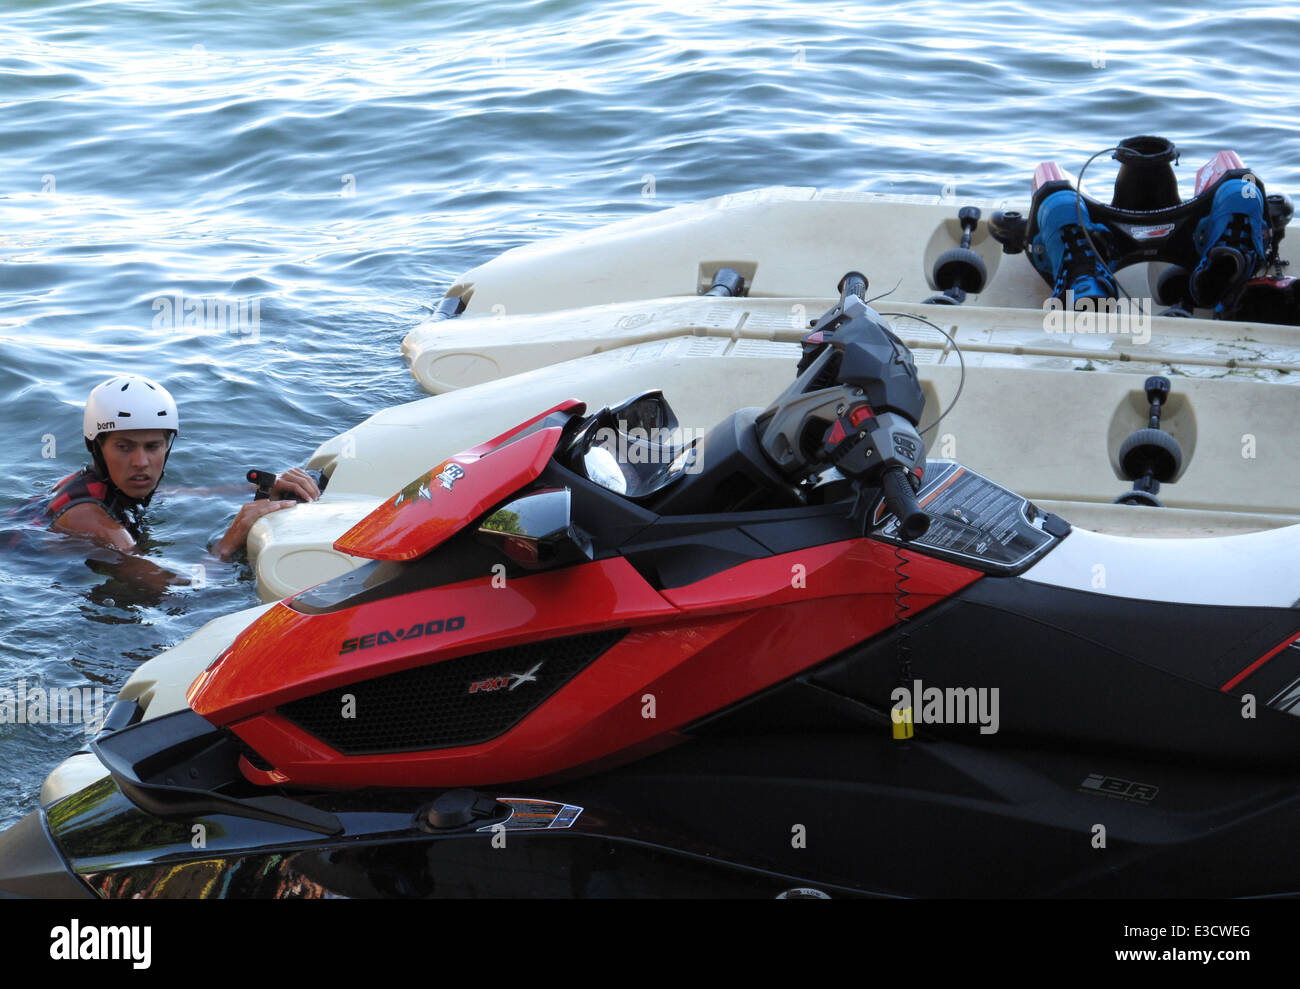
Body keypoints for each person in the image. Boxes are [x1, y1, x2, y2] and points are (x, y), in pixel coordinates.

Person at [43, 374, 319, 561]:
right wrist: (231, 539)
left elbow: (188, 493)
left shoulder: (104, 486)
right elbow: (180, 598)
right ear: (96, 447)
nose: (141, 462)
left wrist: (267, 487)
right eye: (124, 447)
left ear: (167, 447)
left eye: (152, 447)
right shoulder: (97, 524)